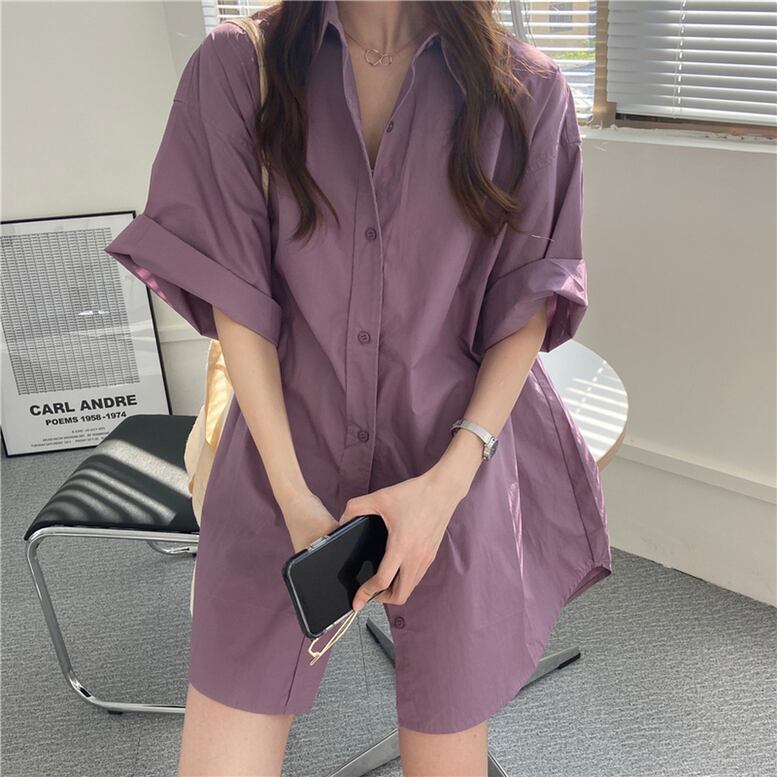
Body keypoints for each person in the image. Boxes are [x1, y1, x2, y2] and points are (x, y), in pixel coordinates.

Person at [103, 1, 612, 774]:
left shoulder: (526, 90)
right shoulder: (240, 68)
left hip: (454, 460)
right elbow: (238, 300)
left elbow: (526, 304)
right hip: (280, 453)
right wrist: (291, 494)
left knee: (448, 747)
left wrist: (446, 485)